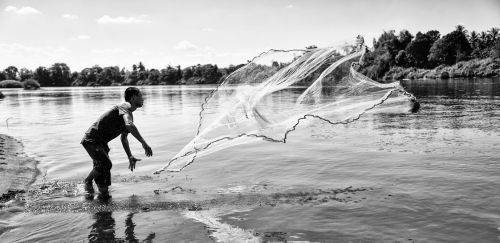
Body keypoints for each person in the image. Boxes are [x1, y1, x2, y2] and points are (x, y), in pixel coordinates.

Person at [81, 87, 153, 200]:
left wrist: (130, 156)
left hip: (101, 144)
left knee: (104, 185)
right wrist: (144, 143)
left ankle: (101, 202)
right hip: (92, 140)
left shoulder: (129, 113)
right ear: (133, 97)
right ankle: (87, 181)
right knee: (106, 164)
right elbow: (129, 125)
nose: (143, 99)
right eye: (141, 96)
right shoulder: (125, 106)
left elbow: (124, 138)